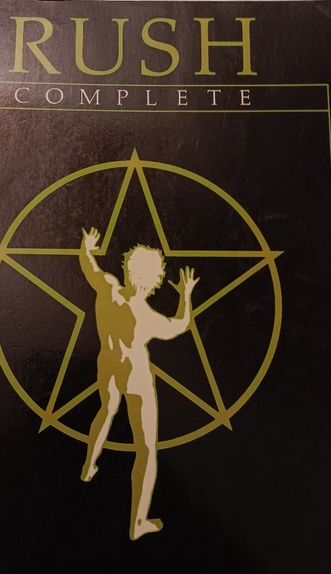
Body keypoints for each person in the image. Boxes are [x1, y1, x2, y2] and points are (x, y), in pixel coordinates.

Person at [78, 227, 199, 540]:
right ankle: (138, 523)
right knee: (146, 450)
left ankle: (89, 465)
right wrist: (185, 295)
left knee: (106, 410)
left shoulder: (108, 288)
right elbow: (180, 324)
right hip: (136, 376)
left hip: (106, 364)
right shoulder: (147, 317)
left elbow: (89, 267)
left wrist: (87, 247)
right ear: (155, 280)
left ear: (127, 267)